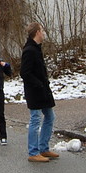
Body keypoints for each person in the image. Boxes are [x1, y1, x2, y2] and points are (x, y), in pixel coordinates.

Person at [20, 22, 58, 162]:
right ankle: (33, 152)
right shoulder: (29, 50)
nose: (43, 33)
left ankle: (44, 148)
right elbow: (24, 73)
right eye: (41, 30)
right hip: (35, 91)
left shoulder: (36, 48)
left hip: (43, 91)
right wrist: (38, 84)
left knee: (50, 117)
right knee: (35, 119)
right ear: (36, 32)